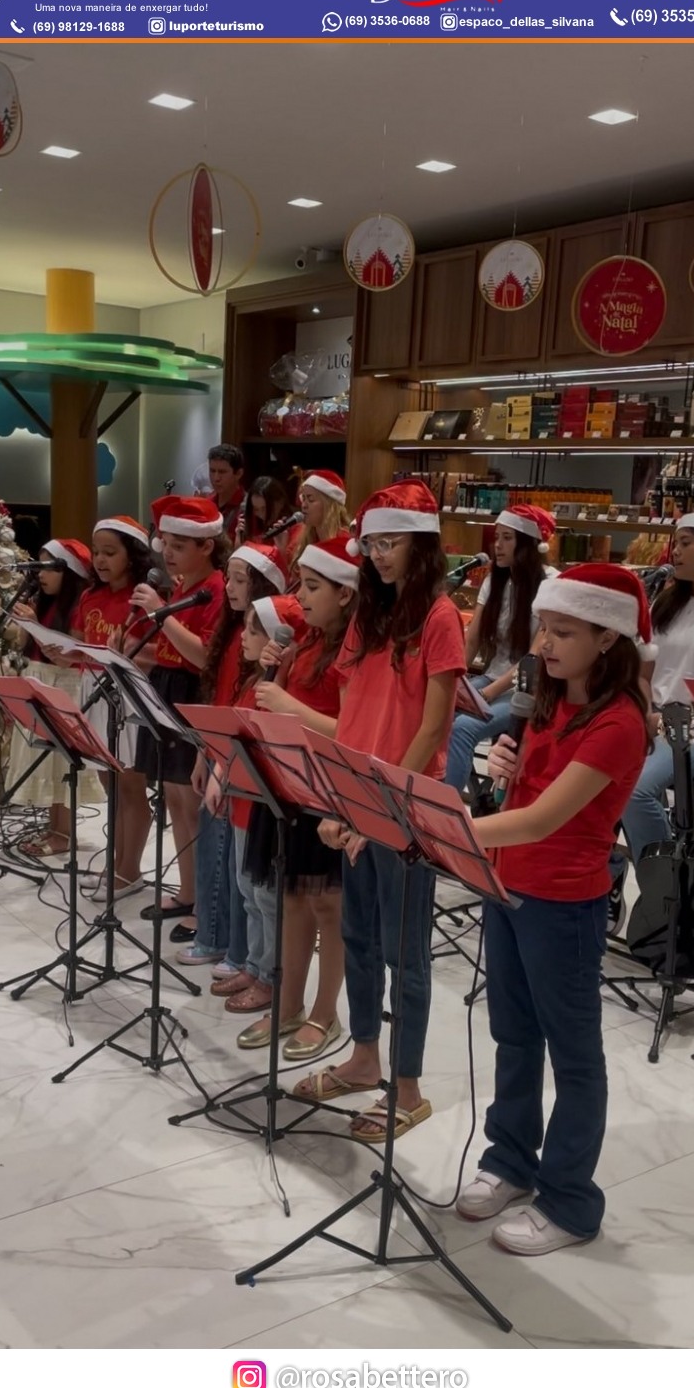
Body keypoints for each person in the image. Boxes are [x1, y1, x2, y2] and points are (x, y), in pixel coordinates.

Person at [457, 564, 653, 1254]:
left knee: (573, 1055)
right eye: (544, 627)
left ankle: (571, 1202)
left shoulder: (620, 723)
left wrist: (447, 831)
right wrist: (505, 774)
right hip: (509, 889)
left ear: (609, 638)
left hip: (563, 902)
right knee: (514, 1035)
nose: (544, 643)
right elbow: (526, 799)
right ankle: (510, 1160)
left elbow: (543, 821)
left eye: (564, 631)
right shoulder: (550, 698)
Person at [293, 480, 466, 1142]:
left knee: (406, 953)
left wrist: (385, 807)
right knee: (359, 939)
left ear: (420, 546)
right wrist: (343, 799)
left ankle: (410, 1088)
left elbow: (430, 726)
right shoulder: (366, 615)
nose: (380, 555)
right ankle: (364, 1057)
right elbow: (354, 714)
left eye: (391, 543)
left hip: (406, 807)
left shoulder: (441, 617)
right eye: (373, 544)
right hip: (358, 797)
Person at [235, 535, 359, 1061]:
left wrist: (292, 707)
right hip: (288, 783)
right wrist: (275, 670)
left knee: (327, 906)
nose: (300, 597)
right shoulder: (304, 641)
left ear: (347, 594)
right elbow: (270, 707)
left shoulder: (354, 650)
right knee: (290, 899)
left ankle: (325, 1014)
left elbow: (353, 731)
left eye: (312, 587)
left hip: (326, 788)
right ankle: (287, 1004)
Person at [609, 508, 694, 930]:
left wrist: (679, 716)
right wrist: (647, 711)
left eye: (686, 541)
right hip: (657, 721)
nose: (676, 548)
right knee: (593, 769)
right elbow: (643, 675)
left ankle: (670, 891)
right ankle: (606, 875)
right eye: (676, 540)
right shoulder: (666, 604)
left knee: (635, 789)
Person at [179, 540, 289, 970]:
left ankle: (237, 951)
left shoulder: (263, 647)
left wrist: (221, 762)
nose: (228, 586)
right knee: (218, 855)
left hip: (238, 764)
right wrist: (202, 756)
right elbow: (217, 701)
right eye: (229, 576)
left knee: (239, 869)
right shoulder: (233, 637)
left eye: (241, 579)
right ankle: (216, 938)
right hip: (218, 753)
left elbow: (245, 713)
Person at [130, 496, 226, 940]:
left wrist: (160, 615)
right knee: (172, 798)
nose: (167, 554)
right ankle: (188, 891)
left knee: (191, 803)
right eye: (165, 543)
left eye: (179, 545)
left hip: (192, 696)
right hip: (167, 690)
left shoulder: (216, 590)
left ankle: (204, 903)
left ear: (207, 546)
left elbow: (203, 656)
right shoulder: (184, 585)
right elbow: (170, 652)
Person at [71, 516, 155, 899]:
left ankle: (130, 871)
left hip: (128, 694)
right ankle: (117, 862)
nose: (101, 560)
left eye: (110, 552)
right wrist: (64, 650)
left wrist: (129, 652)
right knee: (110, 785)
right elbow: (78, 641)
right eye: (97, 553)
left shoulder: (142, 599)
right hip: (94, 688)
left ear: (132, 555)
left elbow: (155, 656)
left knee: (131, 786)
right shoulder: (91, 595)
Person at [445, 505, 556, 794]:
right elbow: (473, 638)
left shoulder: (551, 585)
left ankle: (446, 811)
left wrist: (486, 694)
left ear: (528, 543)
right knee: (437, 713)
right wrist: (457, 679)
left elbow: (534, 657)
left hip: (528, 687)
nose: (497, 545)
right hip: (492, 678)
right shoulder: (495, 580)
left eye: (507, 537)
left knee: (462, 728)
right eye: (496, 537)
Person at [205, 603, 278, 1013]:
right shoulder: (251, 682)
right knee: (247, 891)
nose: (244, 637)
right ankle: (254, 964)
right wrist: (219, 772)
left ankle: (269, 975)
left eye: (255, 631)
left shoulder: (272, 688)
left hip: (261, 804)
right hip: (241, 800)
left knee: (265, 896)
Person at [7, 538, 100, 857]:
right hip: (40, 681)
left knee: (62, 763)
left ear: (69, 571)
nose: (41, 575)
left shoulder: (77, 606)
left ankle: (63, 834)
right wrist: (25, 624)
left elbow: (69, 654)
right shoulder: (42, 602)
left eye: (50, 568)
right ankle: (53, 828)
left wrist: (34, 626)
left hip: (65, 686)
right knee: (46, 762)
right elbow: (27, 646)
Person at [239, 474, 304, 569]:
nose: (261, 515)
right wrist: (239, 542)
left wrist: (281, 549)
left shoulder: (297, 530)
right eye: (256, 509)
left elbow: (293, 573)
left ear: (281, 502)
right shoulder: (251, 522)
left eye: (265, 509)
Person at [292, 470, 351, 567]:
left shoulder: (345, 543)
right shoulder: (308, 538)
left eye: (310, 499)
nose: (304, 505)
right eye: (303, 498)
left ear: (329, 506)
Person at [207, 443, 246, 543]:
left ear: (238, 474)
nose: (216, 478)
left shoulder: (248, 507)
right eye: (212, 471)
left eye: (222, 472)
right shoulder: (207, 503)